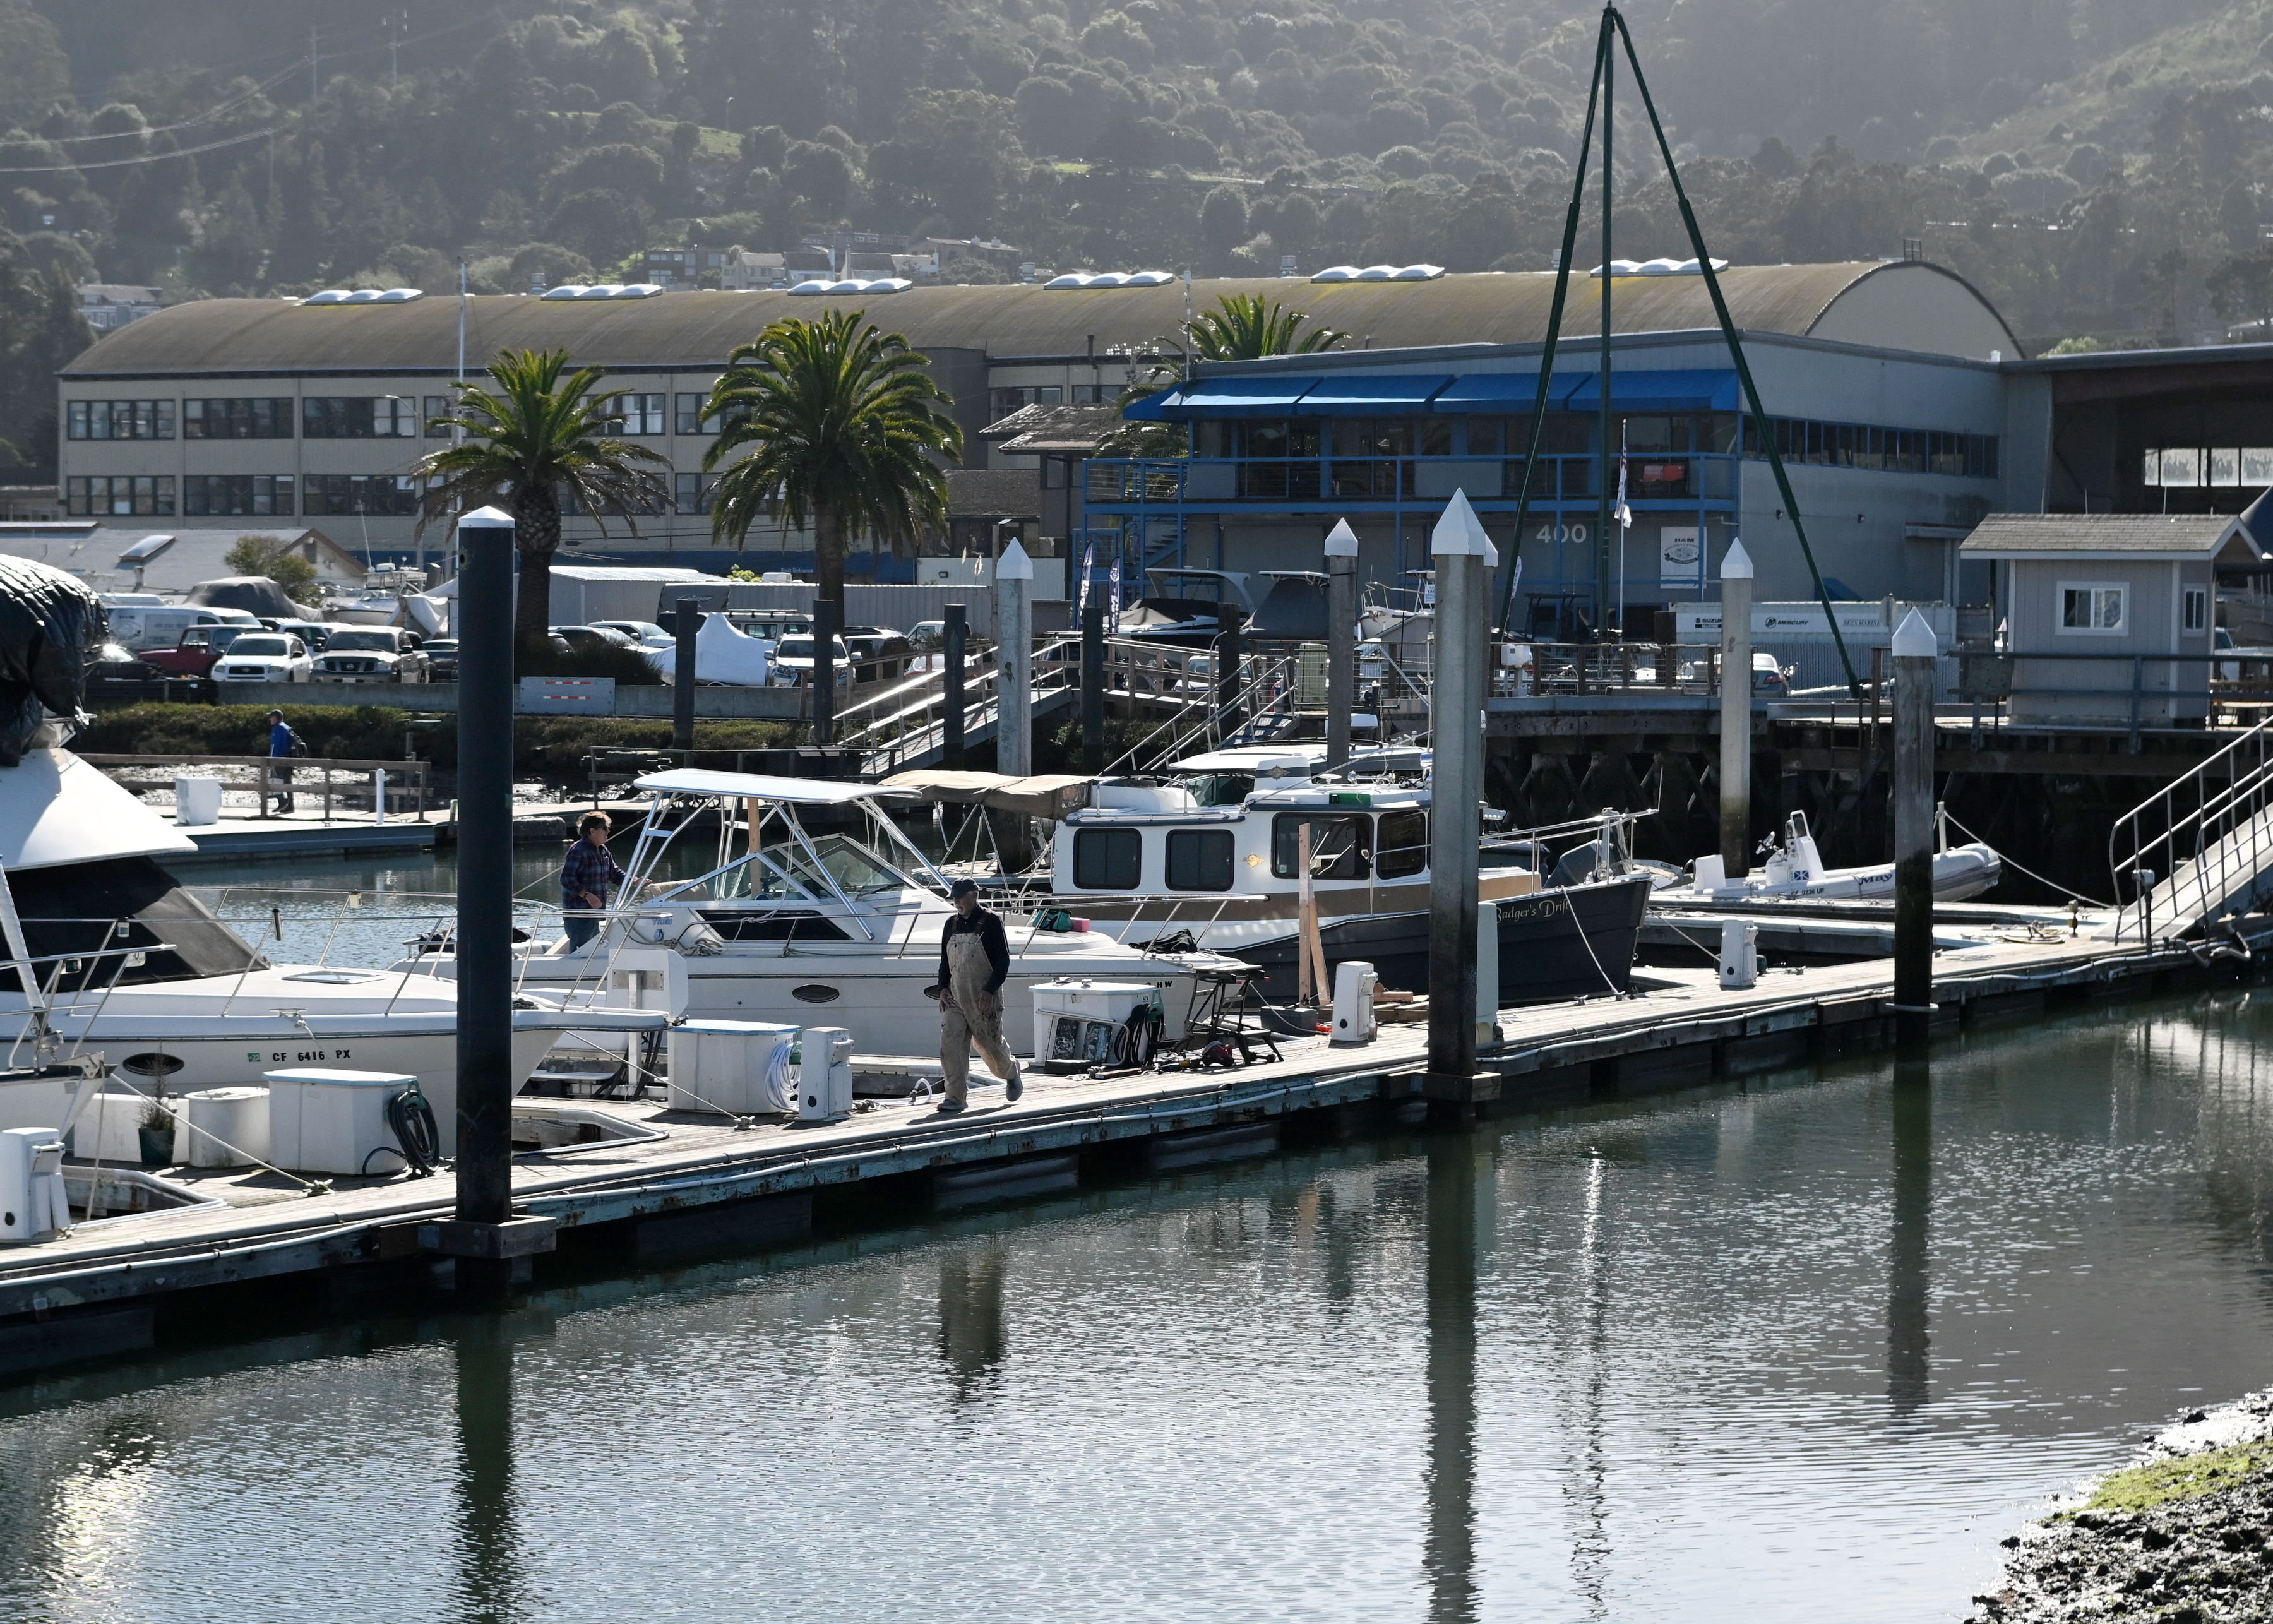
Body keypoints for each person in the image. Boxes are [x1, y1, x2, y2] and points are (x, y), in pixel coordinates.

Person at [934, 878, 1022, 1114]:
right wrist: (942, 987)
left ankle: (1012, 1071)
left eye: (961, 897)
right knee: (950, 1045)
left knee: (988, 1045)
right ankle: (955, 1098)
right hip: (954, 997)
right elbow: (945, 962)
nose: (957, 902)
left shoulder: (991, 922)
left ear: (974, 896)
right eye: (954, 898)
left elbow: (1003, 961)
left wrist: (989, 990)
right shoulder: (950, 924)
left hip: (983, 996)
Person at [560, 811, 624, 950]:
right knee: (581, 954)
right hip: (580, 916)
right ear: (592, 831)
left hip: (594, 915)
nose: (608, 831)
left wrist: (633, 880)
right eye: (605, 828)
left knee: (593, 952)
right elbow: (566, 878)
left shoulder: (603, 850)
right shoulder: (578, 850)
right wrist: (587, 896)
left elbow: (615, 874)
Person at [263, 710, 297, 816]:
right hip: (289, 759)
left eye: (271, 717)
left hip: (279, 759)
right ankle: (290, 805)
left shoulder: (278, 729)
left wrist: (271, 760)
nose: (270, 719)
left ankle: (283, 802)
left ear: (276, 718)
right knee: (287, 782)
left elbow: (275, 746)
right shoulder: (286, 728)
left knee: (275, 780)